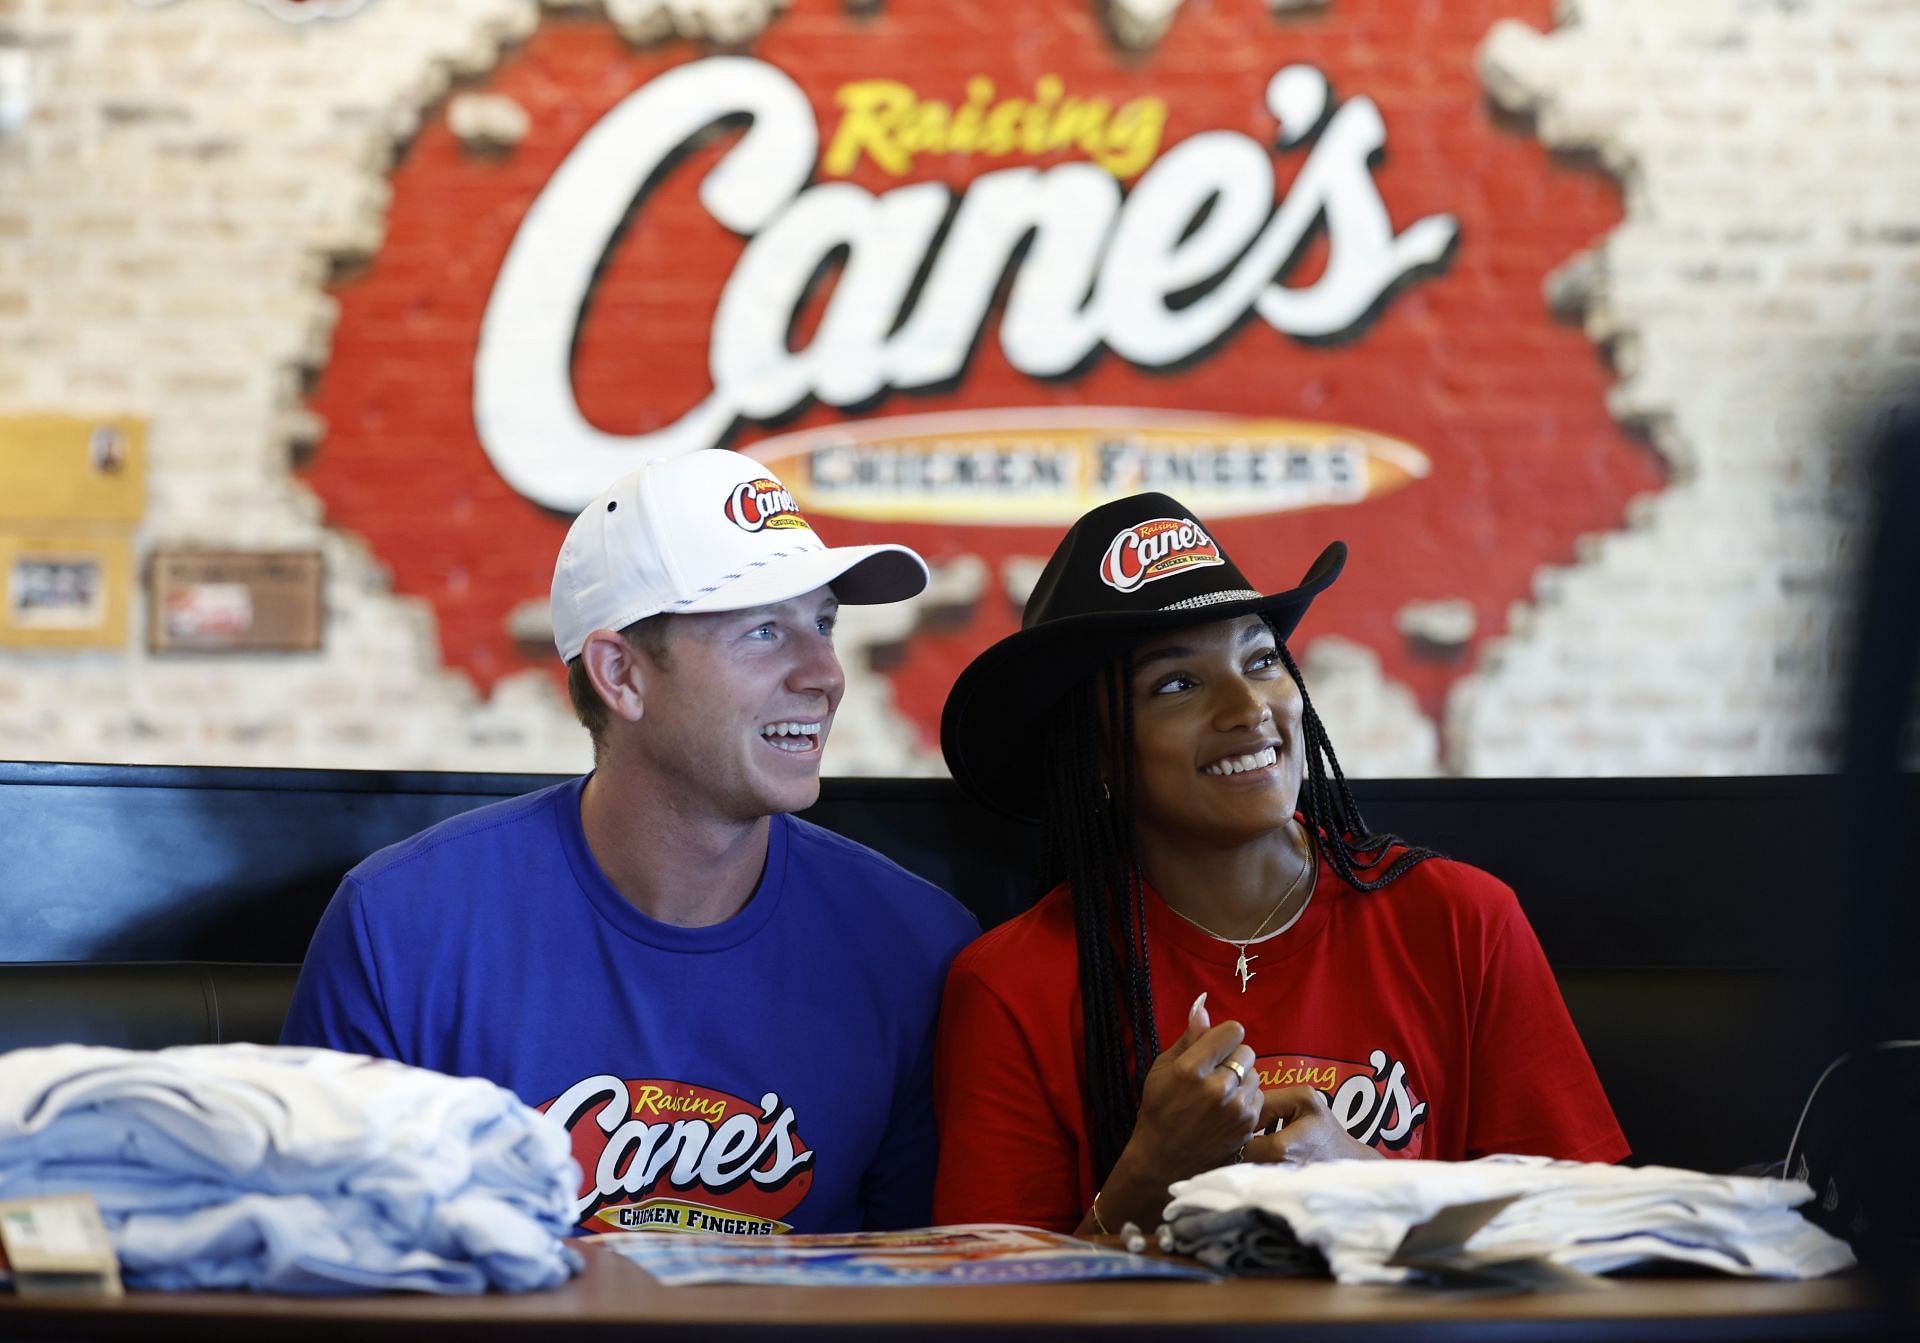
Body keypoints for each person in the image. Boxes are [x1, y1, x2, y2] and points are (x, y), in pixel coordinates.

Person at [282, 450, 979, 1236]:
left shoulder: (915, 944)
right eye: (762, 630)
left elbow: (927, 1300)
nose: (825, 672)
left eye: (822, 622)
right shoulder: (401, 927)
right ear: (621, 675)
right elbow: (325, 1279)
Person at [932, 494, 1626, 1234]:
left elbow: (1596, 1238)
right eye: (1177, 684)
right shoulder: (1011, 983)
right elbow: (991, 1313)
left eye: (1261, 659)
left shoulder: (1460, 919)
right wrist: (1147, 1174)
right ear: (1098, 756)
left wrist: (1369, 1183)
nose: (1248, 706)